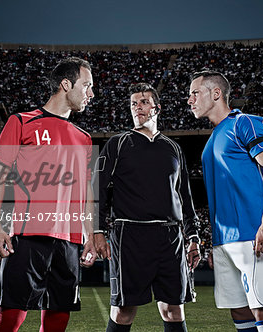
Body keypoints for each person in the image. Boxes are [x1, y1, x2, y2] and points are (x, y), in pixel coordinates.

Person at [0, 57, 97, 332]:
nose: (91, 94)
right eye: (87, 86)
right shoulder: (22, 122)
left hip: (69, 243)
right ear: (65, 84)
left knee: (58, 320)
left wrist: (90, 234)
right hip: (28, 237)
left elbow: (85, 193)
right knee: (10, 318)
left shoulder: (83, 138)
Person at [93, 83, 201, 332]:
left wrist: (193, 236)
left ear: (157, 108)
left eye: (143, 102)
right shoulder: (117, 144)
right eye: (133, 103)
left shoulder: (173, 148)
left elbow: (185, 196)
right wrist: (96, 230)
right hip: (130, 235)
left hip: (170, 237)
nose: (137, 107)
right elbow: (95, 189)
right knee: (123, 311)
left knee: (174, 310)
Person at [188, 70, 263, 332]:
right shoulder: (212, 139)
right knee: (240, 311)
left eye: (195, 93)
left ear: (216, 93)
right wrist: (215, 243)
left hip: (253, 234)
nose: (190, 100)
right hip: (225, 240)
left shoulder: (245, 122)